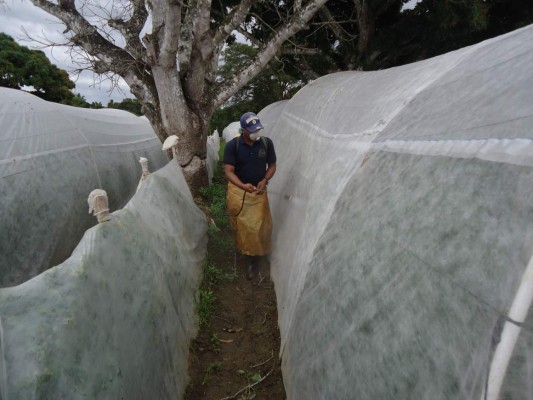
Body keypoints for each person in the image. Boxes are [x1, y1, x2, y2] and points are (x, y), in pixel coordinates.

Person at [223, 112, 277, 280]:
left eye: (258, 129)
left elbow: (272, 165)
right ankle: (248, 256)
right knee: (242, 225)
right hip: (240, 192)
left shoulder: (266, 144)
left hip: (258, 192)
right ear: (244, 130)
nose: (256, 133)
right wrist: (243, 186)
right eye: (252, 130)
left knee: (260, 226)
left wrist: (265, 179)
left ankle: (255, 257)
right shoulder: (233, 146)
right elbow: (228, 171)